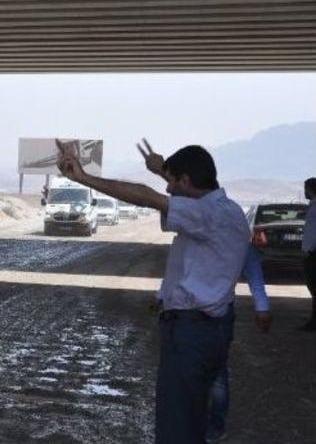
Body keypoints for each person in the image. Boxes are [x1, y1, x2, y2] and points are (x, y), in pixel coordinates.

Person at [57, 140, 250, 444]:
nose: (168, 190)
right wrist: (163, 170)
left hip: (192, 332)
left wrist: (83, 178)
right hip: (207, 330)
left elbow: (147, 197)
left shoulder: (206, 216)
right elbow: (191, 193)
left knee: (177, 428)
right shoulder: (228, 211)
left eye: (172, 183)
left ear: (186, 180)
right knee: (190, 420)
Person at [206, 245, 272, 444]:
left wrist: (262, 307)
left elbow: (254, 273)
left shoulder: (233, 238)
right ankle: (208, 426)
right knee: (212, 370)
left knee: (215, 370)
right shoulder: (235, 235)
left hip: (215, 311)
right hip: (199, 311)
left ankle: (214, 427)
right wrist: (262, 307)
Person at [300, 177, 316, 331]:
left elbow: (313, 232)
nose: (304, 192)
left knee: (314, 286)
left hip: (313, 254)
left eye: (306, 189)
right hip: (311, 252)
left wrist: (308, 250)